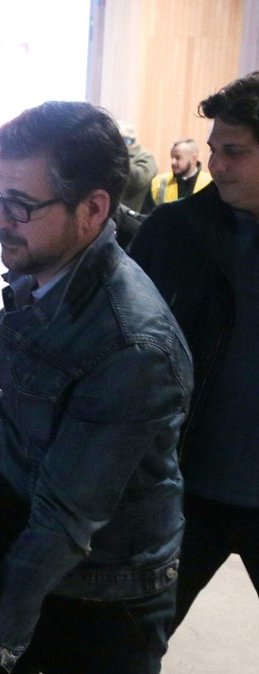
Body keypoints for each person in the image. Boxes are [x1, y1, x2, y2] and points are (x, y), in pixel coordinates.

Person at [0, 102, 192, 674]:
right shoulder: (44, 273)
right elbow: (50, 387)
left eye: (20, 206)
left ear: (93, 209)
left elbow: (63, 525)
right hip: (16, 555)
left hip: (92, 602)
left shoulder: (130, 346)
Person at [128, 71, 259, 631]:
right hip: (182, 491)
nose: (217, 165)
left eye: (235, 152)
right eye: (214, 150)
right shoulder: (174, 232)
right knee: (134, 642)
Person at [141, 139, 213, 213]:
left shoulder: (210, 184)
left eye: (178, 158)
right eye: (172, 157)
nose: (173, 162)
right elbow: (146, 217)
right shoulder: (158, 183)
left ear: (194, 158)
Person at [119, 121, 159, 212]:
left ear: (129, 141)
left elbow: (140, 179)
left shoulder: (146, 156)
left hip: (130, 214)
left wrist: (122, 158)